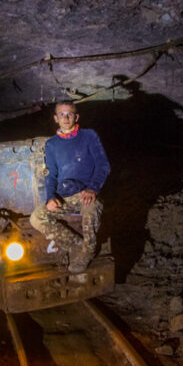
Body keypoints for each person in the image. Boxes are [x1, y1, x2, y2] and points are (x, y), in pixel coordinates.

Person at [30, 101, 110, 273]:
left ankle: (88, 251)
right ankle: (76, 245)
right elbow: (51, 175)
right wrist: (51, 197)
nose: (66, 118)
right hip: (64, 197)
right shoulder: (52, 144)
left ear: (76, 117)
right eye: (61, 114)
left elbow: (103, 165)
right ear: (55, 118)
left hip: (86, 194)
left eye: (69, 114)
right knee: (37, 218)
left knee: (90, 213)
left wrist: (93, 188)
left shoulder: (89, 136)